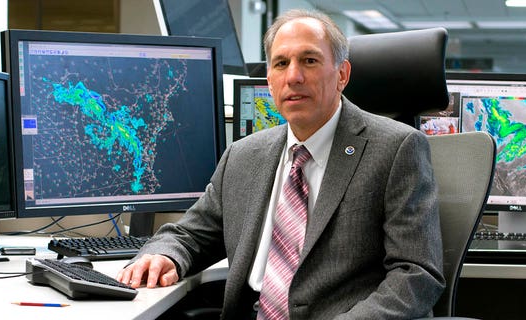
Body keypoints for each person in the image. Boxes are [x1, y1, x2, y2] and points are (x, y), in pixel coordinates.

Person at [117, 8, 445, 319]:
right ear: (270, 81)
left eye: (310, 60)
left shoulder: (396, 148)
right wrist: (163, 254)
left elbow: (416, 275)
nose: (294, 76)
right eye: (281, 63)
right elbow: (192, 235)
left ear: (342, 74)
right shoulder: (244, 156)